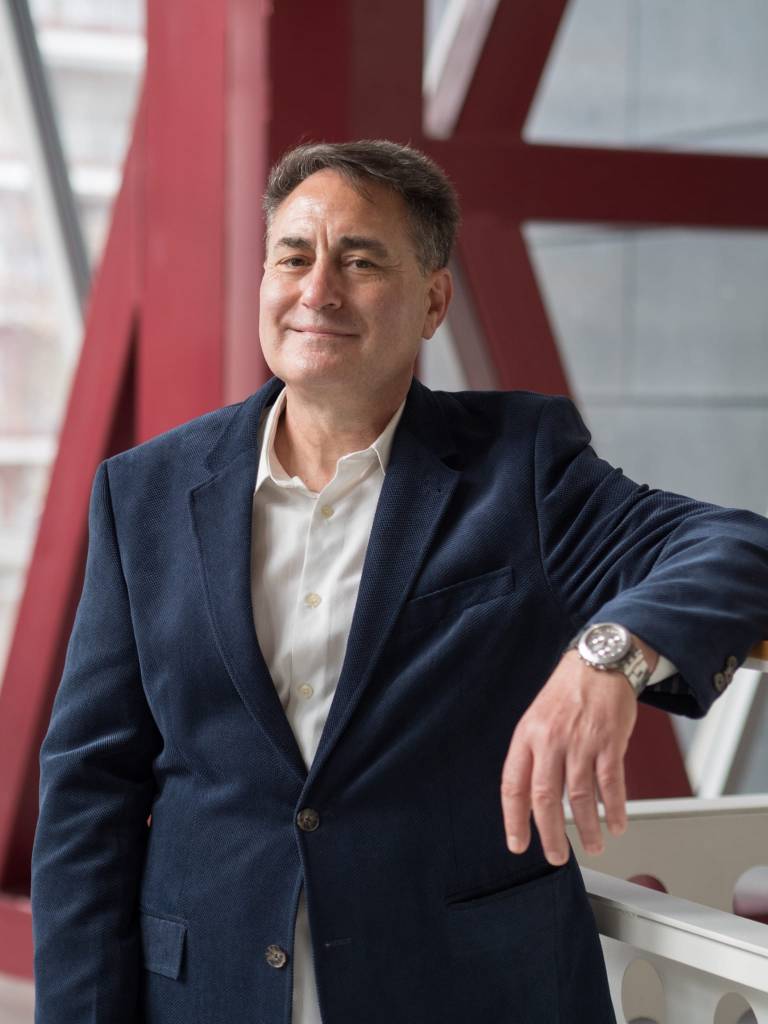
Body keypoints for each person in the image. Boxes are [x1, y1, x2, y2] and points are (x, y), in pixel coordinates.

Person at [31, 139, 768, 1023]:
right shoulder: (144, 491)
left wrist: (606, 658)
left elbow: (735, 547)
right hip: (208, 992)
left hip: (463, 993)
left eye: (361, 261)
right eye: (293, 257)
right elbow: (90, 790)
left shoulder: (520, 464)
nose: (318, 291)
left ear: (433, 301)